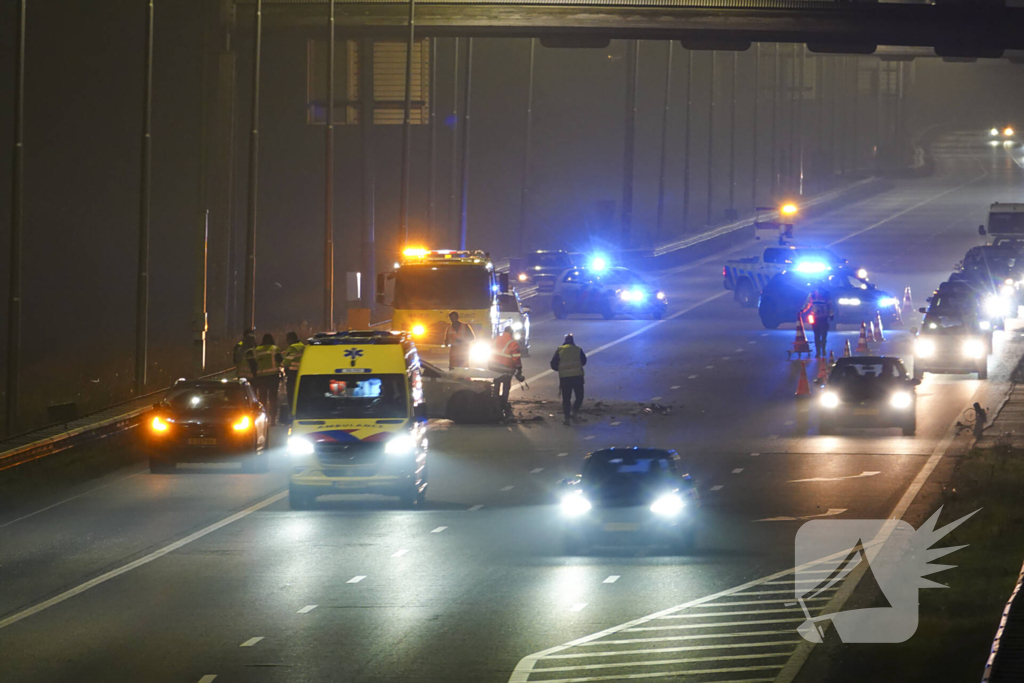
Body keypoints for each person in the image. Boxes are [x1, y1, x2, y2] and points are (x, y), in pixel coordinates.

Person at [550, 333, 587, 426]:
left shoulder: (560, 350)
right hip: (577, 377)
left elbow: (553, 364)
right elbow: (584, 361)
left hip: (565, 378)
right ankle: (575, 412)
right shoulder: (578, 349)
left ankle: (567, 418)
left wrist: (561, 369)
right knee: (579, 397)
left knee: (566, 399)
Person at [247, 333, 283, 425]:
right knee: (273, 398)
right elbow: (280, 360)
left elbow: (253, 364)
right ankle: (272, 419)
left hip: (261, 377)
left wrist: (255, 376)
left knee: (262, 398)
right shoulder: (275, 348)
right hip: (273, 376)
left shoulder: (257, 350)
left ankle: (263, 418)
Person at [489, 326, 524, 413]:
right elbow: (516, 359)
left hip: (493, 366)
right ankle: (503, 403)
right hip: (506, 368)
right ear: (512, 333)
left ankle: (495, 402)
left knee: (496, 383)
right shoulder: (513, 343)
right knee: (506, 385)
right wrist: (519, 369)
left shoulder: (495, 339)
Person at [801, 288, 833, 358]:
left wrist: (831, 314)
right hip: (816, 316)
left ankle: (823, 349)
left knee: (823, 334)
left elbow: (829, 305)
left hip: (824, 316)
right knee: (817, 334)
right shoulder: (812, 294)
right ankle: (818, 351)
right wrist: (802, 310)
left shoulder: (826, 294)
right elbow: (808, 303)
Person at [281, 332, 305, 412]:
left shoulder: (293, 348)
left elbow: (287, 362)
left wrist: (281, 360)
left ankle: (292, 412)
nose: (286, 341)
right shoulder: (303, 346)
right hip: (301, 373)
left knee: (291, 396)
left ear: (291, 339)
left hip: (292, 374)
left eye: (287, 339)